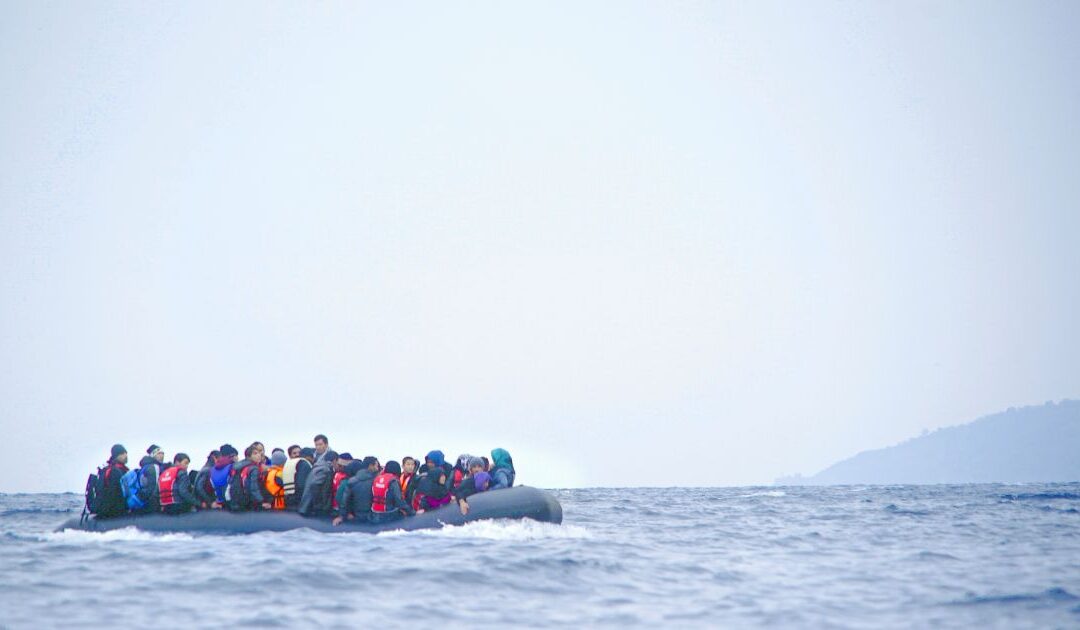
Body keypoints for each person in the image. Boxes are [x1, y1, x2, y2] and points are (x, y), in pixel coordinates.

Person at [333, 456, 380, 525]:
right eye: (376, 465)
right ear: (370, 466)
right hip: (373, 517)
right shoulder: (376, 481)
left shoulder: (352, 481)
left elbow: (344, 500)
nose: (377, 468)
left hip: (355, 516)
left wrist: (342, 516)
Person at [229, 445, 271, 512]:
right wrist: (261, 501)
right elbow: (253, 488)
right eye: (255, 453)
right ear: (248, 456)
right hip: (248, 503)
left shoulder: (238, 467)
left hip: (236, 501)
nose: (259, 455)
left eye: (259, 453)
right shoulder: (254, 468)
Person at [298, 450, 338, 516]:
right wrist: (319, 504)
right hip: (312, 508)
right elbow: (314, 485)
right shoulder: (325, 469)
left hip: (307, 506)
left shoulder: (318, 467)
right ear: (334, 460)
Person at [96, 444, 129, 518]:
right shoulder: (114, 471)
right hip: (112, 510)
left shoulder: (122, 469)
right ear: (116, 455)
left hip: (112, 508)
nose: (126, 455)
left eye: (126, 453)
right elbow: (114, 492)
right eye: (122, 453)